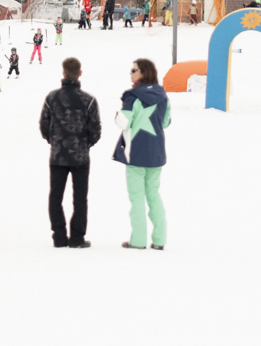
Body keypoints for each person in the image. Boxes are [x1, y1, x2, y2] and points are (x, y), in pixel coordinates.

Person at [39, 57, 101, 248]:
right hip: (80, 157)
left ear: (63, 73)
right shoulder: (89, 100)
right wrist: (85, 143)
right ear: (80, 73)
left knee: (55, 196)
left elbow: (44, 125)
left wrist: (54, 141)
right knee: (80, 198)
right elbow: (96, 130)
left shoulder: (52, 98)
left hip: (58, 155)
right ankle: (77, 238)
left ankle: (59, 236)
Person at [116, 58, 170, 250]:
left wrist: (117, 115)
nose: (131, 73)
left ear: (143, 73)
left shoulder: (132, 96)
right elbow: (165, 122)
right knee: (154, 195)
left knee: (136, 197)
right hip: (156, 153)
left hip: (136, 154)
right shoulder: (163, 96)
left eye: (134, 70)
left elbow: (124, 122)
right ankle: (160, 239)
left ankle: (138, 240)